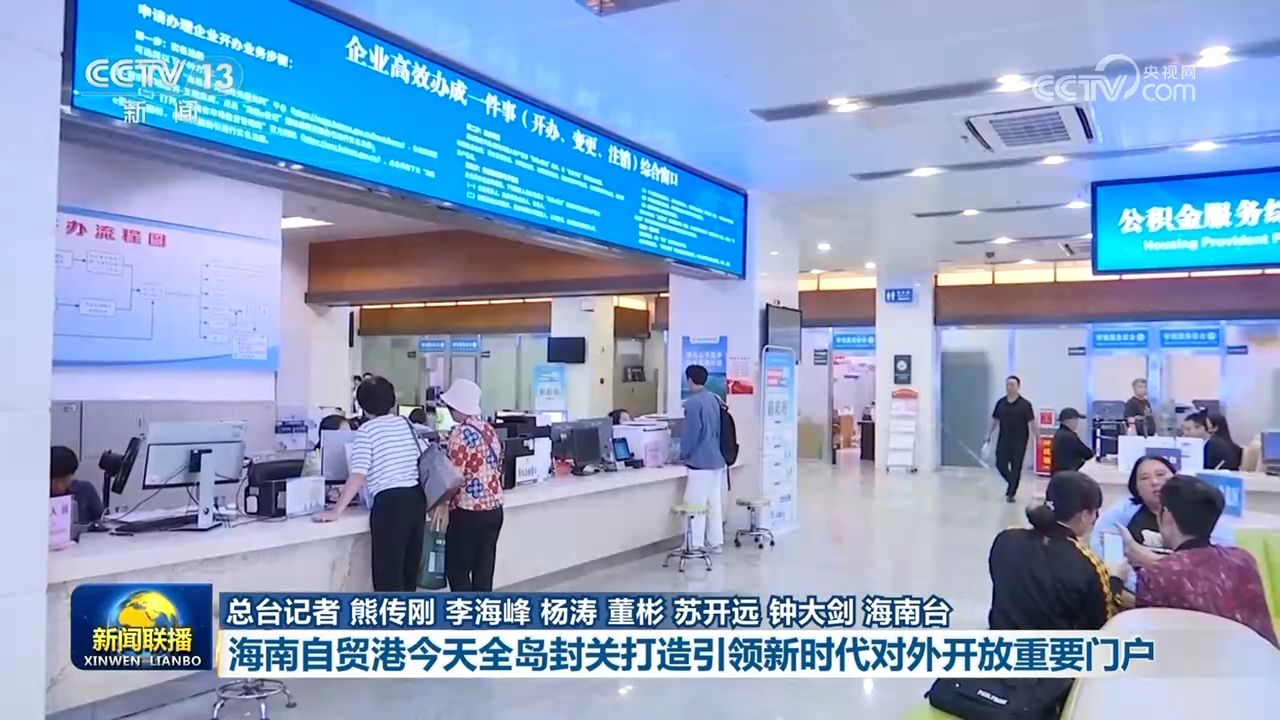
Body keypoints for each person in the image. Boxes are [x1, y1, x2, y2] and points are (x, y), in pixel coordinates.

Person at [1125, 475, 1277, 646]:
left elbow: (1152, 640)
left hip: (1195, 662)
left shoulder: (1157, 575)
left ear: (1166, 516)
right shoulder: (1243, 559)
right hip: (1263, 658)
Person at [314, 376, 426, 593]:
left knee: (389, 577)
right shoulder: (406, 424)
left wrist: (336, 511)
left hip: (390, 505)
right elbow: (422, 456)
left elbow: (358, 475)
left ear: (362, 405)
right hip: (416, 500)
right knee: (408, 572)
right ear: (391, 401)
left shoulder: (367, 431)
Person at [988, 471, 1114, 632]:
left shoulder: (1006, 539)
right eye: (1095, 512)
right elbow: (1102, 623)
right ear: (1084, 515)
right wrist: (1116, 580)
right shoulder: (1087, 563)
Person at [1091, 455, 1234, 560]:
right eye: (1144, 478)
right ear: (1136, 487)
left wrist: (1152, 562)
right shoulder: (1121, 513)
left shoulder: (1200, 509)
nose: (1154, 482)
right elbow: (1108, 555)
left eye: (1161, 474)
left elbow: (1221, 556)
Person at [442, 379, 505, 592]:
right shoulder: (488, 429)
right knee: (483, 573)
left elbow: (453, 477)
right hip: (494, 509)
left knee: (457, 571)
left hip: (468, 512)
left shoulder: (460, 434)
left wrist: (441, 502)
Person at [680, 364, 726, 553]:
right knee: (714, 503)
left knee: (695, 504)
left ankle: (694, 543)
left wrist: (683, 454)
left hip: (700, 462)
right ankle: (715, 542)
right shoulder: (714, 399)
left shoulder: (692, 404)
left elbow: (692, 434)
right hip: (717, 459)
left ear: (689, 380)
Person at [984, 375, 1036, 503]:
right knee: (1000, 463)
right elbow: (994, 420)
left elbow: (1032, 422)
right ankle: (1012, 482)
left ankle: (1011, 493)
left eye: (1012, 385)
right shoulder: (1001, 403)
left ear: (1018, 387)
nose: (1009, 387)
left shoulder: (1025, 405)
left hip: (1020, 440)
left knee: (1016, 466)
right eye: (1008, 385)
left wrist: (1037, 437)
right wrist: (988, 433)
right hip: (1004, 438)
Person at [50, 446, 104, 524]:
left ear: (72, 475)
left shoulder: (85, 490)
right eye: (54, 482)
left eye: (63, 481)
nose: (59, 487)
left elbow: (101, 521)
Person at [1049, 407, 1093, 474]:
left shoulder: (1059, 434)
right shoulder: (1070, 437)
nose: (1077, 423)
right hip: (1068, 476)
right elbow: (1088, 454)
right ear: (1068, 421)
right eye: (1076, 420)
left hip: (1058, 474)